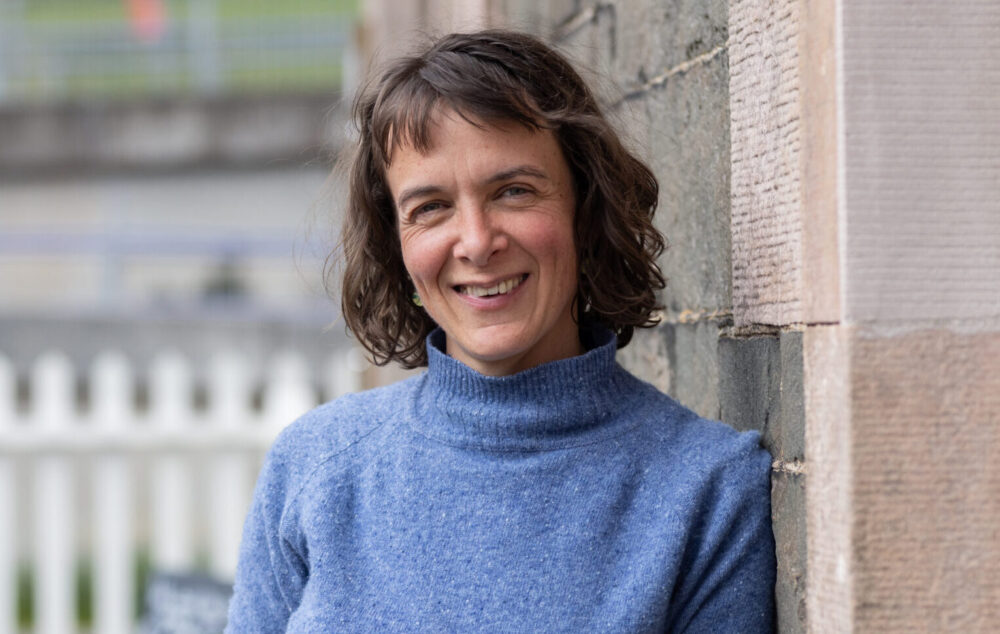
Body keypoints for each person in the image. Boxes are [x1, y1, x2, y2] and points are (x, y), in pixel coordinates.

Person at [225, 29, 775, 632]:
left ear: (586, 208)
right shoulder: (314, 468)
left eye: (514, 191)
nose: (477, 242)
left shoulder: (706, 491)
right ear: (397, 246)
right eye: (430, 207)